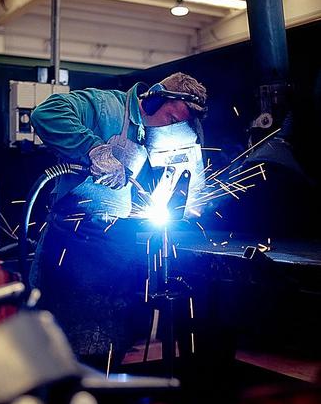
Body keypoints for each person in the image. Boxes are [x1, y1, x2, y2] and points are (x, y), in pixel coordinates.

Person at [29, 72, 208, 369]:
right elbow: (46, 113)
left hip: (117, 244)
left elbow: (187, 180)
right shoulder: (107, 105)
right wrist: (94, 149)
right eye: (171, 116)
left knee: (108, 343)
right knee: (60, 347)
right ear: (154, 98)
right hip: (74, 243)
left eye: (179, 123)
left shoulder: (172, 133)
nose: (171, 126)